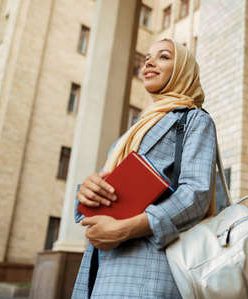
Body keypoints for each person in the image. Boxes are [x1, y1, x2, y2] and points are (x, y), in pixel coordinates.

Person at [71, 39, 217, 298]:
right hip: (101, 266)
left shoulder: (194, 119)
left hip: (150, 267)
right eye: (148, 57)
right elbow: (114, 190)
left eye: (163, 56)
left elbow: (196, 194)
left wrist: (127, 228)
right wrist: (87, 192)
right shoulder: (134, 131)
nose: (148, 62)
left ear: (183, 70)